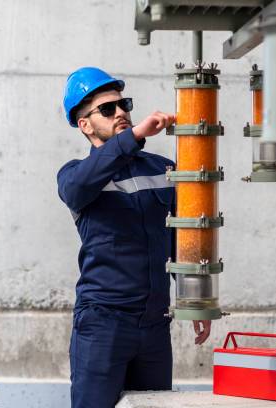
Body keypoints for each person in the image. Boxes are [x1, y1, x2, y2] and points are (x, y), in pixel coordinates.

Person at [57, 67, 211, 408]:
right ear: (84, 124)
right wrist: (135, 136)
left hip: (155, 326)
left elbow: (183, 238)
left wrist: (195, 301)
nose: (121, 112)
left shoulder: (162, 168)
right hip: (103, 324)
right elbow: (79, 187)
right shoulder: (75, 176)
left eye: (123, 104)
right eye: (108, 109)